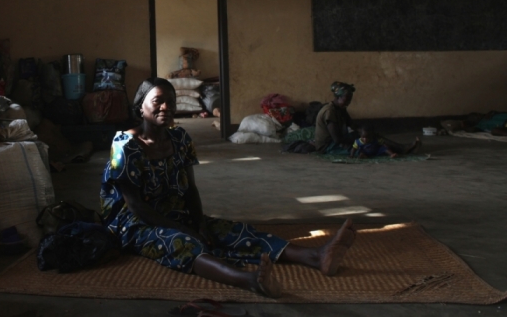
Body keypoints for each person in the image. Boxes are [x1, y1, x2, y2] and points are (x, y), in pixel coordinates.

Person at [100, 77, 356, 297]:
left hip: (174, 212)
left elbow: (190, 189)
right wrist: (184, 228)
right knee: (183, 242)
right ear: (140, 105)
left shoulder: (179, 138)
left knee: (231, 231)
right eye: (157, 101)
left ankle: (315, 257)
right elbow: (135, 206)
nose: (166, 107)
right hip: (135, 223)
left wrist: (198, 222)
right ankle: (249, 280)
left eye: (171, 101)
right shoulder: (126, 145)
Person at [314, 81, 358, 155]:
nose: (348, 103)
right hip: (327, 146)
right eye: (346, 100)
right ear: (338, 97)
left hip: (335, 141)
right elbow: (337, 139)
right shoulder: (329, 111)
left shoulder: (341, 109)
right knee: (359, 151)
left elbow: (352, 124)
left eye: (349, 100)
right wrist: (356, 140)